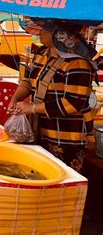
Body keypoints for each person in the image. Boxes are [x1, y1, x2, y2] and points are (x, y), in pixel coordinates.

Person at [8, 19, 96, 172]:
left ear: (59, 34)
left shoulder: (78, 63)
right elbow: (29, 81)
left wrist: (33, 108)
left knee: (61, 180)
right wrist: (15, 98)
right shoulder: (42, 54)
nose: (39, 32)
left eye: (43, 29)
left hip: (66, 138)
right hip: (40, 131)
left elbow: (73, 103)